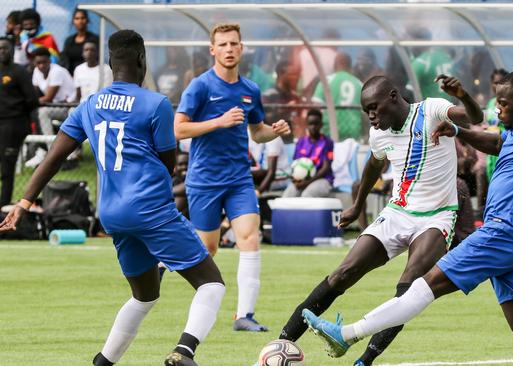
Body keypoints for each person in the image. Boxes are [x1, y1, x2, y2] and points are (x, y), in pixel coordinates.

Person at [303, 71, 513, 366]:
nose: (497, 109)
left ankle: (347, 334)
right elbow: (490, 141)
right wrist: (458, 130)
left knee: (422, 286)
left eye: (502, 104)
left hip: (500, 233)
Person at [0, 29, 226, 366]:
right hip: (150, 208)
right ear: (141, 60)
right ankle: (184, 352)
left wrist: (23, 202)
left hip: (112, 215)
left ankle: (102, 362)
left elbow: (54, 156)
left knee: (144, 295)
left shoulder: (90, 105)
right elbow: (168, 163)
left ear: (108, 62)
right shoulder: (156, 103)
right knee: (212, 284)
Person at [273, 75, 483, 366]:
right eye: (366, 110)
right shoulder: (379, 134)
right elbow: (374, 165)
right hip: (397, 213)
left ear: (394, 97)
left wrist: (463, 94)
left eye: (374, 107)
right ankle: (280, 345)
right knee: (342, 274)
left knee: (407, 288)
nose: (370, 115)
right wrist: (356, 205)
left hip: (437, 217)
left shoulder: (431, 110)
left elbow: (475, 117)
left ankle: (365, 360)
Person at [174, 23, 290, 332]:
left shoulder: (250, 90)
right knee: (207, 249)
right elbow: (179, 129)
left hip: (239, 178)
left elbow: (257, 131)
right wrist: (218, 122)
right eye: (222, 44)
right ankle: (164, 261)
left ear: (241, 49)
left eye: (234, 44)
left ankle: (244, 315)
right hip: (204, 180)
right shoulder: (199, 86)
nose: (228, 49)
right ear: (212, 50)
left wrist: (274, 131)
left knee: (250, 239)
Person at [0, 36, 38, 207]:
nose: (2, 51)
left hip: (13, 124)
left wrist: (18, 113)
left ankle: (4, 205)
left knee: (7, 167)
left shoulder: (19, 72)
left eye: (5, 48)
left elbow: (32, 100)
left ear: (13, 50)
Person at [282, 109, 334, 198]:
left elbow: (326, 167)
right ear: (307, 125)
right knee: (288, 195)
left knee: (307, 195)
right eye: (310, 124)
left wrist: (307, 182)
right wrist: (296, 180)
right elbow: (296, 164)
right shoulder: (301, 142)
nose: (313, 127)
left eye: (316, 124)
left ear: (321, 125)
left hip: (322, 179)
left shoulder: (327, 142)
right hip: (302, 180)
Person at [312, 52, 363, 141]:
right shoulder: (359, 84)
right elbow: (366, 113)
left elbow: (316, 107)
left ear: (334, 64)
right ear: (350, 66)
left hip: (330, 131)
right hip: (353, 132)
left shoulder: (326, 81)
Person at [31, 47, 76, 135]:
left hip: (69, 107)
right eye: (38, 63)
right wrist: (32, 101)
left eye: (44, 62)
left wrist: (31, 101)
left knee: (42, 112)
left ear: (49, 60)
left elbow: (48, 98)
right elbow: (34, 94)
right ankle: (43, 145)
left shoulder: (57, 71)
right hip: (55, 106)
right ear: (34, 63)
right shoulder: (36, 71)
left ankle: (50, 145)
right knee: (34, 112)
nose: (41, 65)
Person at [60, 9, 99, 75]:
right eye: (77, 18)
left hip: (90, 74)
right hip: (71, 76)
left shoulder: (94, 39)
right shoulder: (69, 41)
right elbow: (64, 61)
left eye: (82, 18)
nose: (80, 21)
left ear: (87, 20)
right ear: (73, 21)